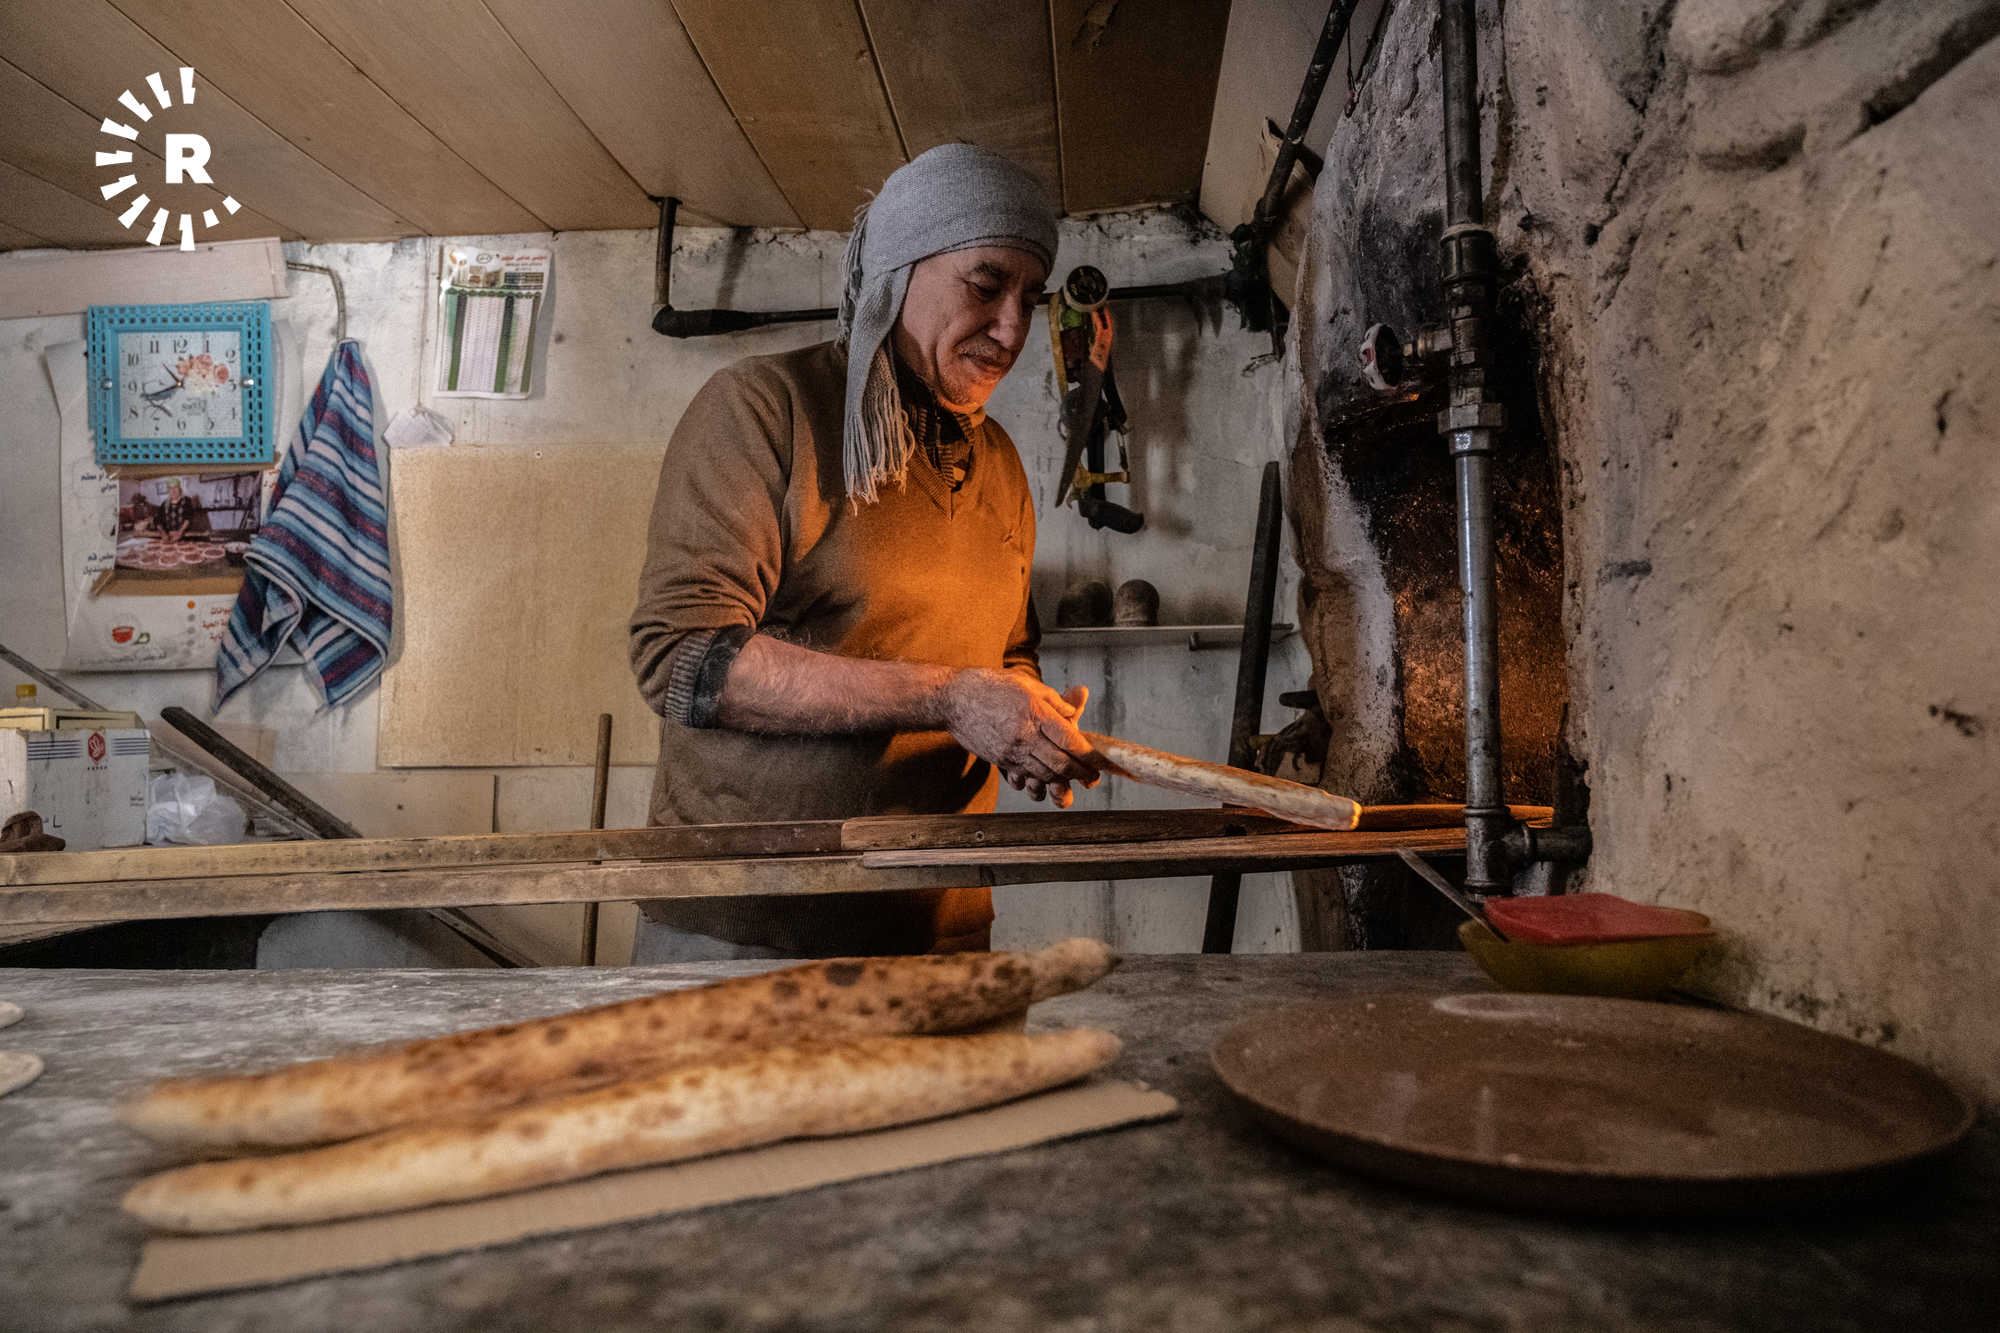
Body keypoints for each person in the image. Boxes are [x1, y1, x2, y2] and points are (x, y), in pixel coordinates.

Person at [628, 143, 1099, 963]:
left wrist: (1025, 722)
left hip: (942, 924)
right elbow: (683, 659)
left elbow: (1007, 652)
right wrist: (952, 698)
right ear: (897, 272)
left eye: (1031, 298)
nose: (1012, 328)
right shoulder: (765, 410)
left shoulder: (1000, 464)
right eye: (986, 285)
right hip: (750, 928)